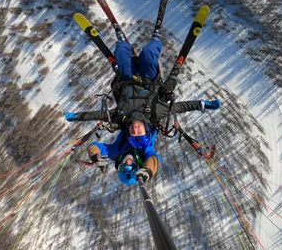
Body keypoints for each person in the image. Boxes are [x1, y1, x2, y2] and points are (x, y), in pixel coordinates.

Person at [66, 32, 220, 185]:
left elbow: (97, 124)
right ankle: (155, 38)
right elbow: (180, 108)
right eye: (131, 166)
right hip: (149, 79)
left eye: (123, 166)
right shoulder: (153, 119)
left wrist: (93, 152)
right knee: (149, 53)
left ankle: (121, 41)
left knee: (120, 50)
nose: (128, 163)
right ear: (137, 164)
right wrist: (203, 104)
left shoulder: (119, 135)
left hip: (127, 79)